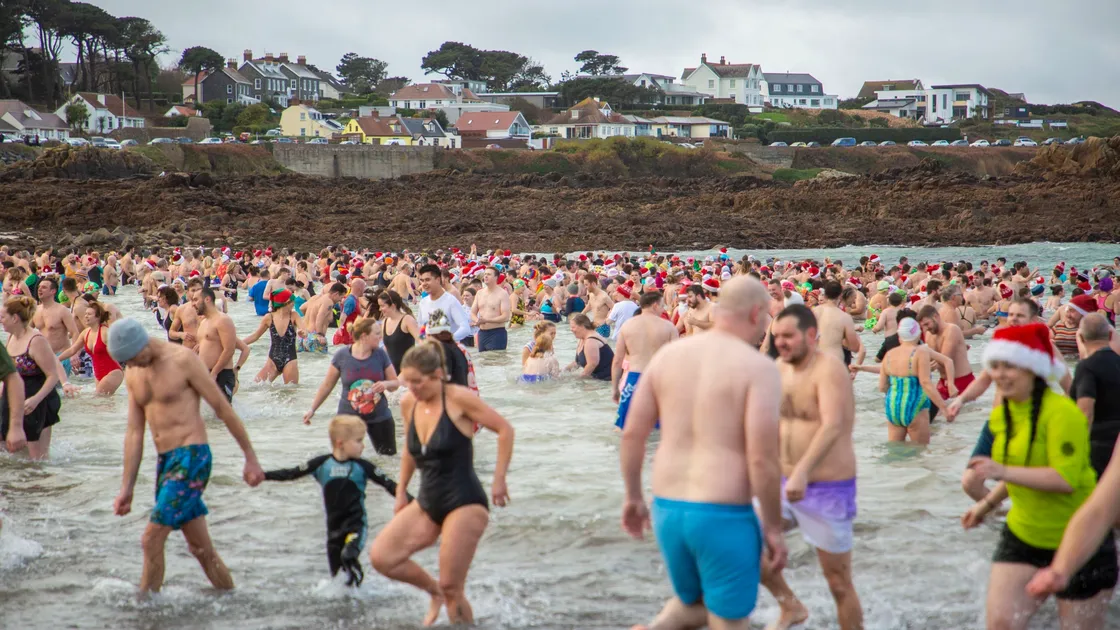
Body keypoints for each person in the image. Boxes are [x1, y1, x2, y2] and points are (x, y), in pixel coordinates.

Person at [620, 276, 786, 630]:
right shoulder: (758, 367)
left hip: (666, 508)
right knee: (729, 620)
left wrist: (633, 497)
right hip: (721, 512)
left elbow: (633, 433)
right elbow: (762, 458)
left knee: (692, 607)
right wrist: (773, 527)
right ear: (757, 312)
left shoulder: (669, 356)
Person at [961, 323, 1116, 630]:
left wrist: (1001, 471)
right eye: (996, 366)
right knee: (1000, 624)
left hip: (1080, 539)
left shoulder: (1063, 413)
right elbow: (1025, 469)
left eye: (1011, 366)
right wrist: (986, 504)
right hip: (1023, 534)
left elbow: (1065, 479)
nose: (1001, 374)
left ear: (1033, 369)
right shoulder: (1002, 415)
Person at [107, 318, 265, 594]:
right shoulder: (134, 372)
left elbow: (222, 408)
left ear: (143, 343)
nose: (131, 366)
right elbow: (134, 433)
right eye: (125, 362)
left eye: (133, 358)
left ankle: (144, 613)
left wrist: (250, 457)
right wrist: (126, 489)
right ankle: (232, 599)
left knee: (151, 539)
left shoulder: (181, 360)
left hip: (192, 456)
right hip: (166, 462)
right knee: (201, 549)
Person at [368, 341, 514, 626]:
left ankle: (451, 603)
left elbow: (505, 429)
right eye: (407, 382)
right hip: (427, 499)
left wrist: (499, 480)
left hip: (465, 501)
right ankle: (433, 592)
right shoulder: (410, 402)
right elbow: (410, 451)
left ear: (437, 374)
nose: (413, 389)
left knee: (452, 586)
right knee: (383, 556)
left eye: (418, 382)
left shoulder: (459, 398)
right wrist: (400, 492)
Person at [765, 304, 864, 630]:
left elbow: (834, 425)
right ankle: (790, 606)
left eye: (788, 336)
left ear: (811, 335)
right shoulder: (778, 367)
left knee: (837, 582)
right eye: (776, 336)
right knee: (739, 542)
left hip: (826, 487)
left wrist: (803, 470)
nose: (780, 342)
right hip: (782, 482)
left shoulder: (829, 369)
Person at [262, 415, 409, 587]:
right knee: (337, 576)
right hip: (333, 530)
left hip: (356, 526)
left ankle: (361, 590)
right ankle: (351, 600)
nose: (363, 445)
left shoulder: (363, 466)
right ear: (341, 443)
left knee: (348, 556)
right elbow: (290, 474)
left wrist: (419, 505)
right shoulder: (322, 464)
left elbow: (391, 486)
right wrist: (263, 475)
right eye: (359, 441)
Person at [304, 318, 400, 454]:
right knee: (344, 458)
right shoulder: (342, 356)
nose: (381, 337)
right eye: (377, 334)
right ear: (364, 336)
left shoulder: (381, 355)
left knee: (387, 459)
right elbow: (327, 385)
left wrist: (385, 384)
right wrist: (312, 410)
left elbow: (395, 384)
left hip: (379, 417)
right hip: (348, 418)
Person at [0, 297, 62, 460]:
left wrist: (35, 399)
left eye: (3, 317)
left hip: (37, 403)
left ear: (15, 318)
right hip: (14, 399)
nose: (0, 321)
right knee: (9, 453)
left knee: (37, 460)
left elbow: (52, 375)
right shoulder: (11, 338)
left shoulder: (36, 340)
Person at [612, 292, 677, 430]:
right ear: (655, 305)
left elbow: (617, 361)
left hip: (634, 379)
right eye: (661, 306)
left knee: (625, 428)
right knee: (659, 431)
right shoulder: (668, 326)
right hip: (659, 380)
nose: (663, 310)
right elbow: (677, 360)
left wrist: (615, 389)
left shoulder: (627, 326)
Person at [878, 318, 948, 444]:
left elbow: (882, 387)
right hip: (915, 405)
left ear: (899, 336)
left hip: (893, 406)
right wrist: (944, 408)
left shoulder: (889, 355)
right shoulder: (920, 353)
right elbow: (926, 383)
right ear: (917, 334)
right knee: (920, 453)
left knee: (896, 453)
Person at [1070, 313, 1120, 477]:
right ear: (1111, 335)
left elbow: (1086, 410)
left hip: (1100, 444)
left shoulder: (1087, 366)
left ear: (1082, 338)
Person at [56, 301, 123, 395]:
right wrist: (56, 359)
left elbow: (120, 349)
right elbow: (72, 350)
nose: (86, 316)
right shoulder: (85, 333)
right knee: (102, 405)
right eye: (85, 314)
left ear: (98, 317)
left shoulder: (105, 332)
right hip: (98, 374)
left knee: (97, 397)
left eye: (89, 314)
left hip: (113, 371)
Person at [240, 288, 303, 384]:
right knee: (256, 386)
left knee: (291, 392)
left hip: (290, 360)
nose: (294, 303)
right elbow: (255, 336)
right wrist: (237, 344)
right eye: (292, 301)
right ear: (285, 302)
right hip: (273, 360)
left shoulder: (294, 315)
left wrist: (303, 333)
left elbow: (304, 329)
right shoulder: (269, 318)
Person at [193, 287, 239, 403]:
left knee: (222, 416)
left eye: (195, 300)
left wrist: (214, 373)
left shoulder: (223, 320)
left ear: (207, 299)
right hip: (204, 372)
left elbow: (229, 350)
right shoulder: (204, 322)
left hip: (220, 374)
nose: (193, 304)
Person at [417, 264, 472, 343]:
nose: (424, 284)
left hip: (449, 350)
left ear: (438, 280)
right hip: (431, 351)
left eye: (427, 280)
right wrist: (422, 342)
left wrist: (448, 340)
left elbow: (465, 328)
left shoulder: (451, 301)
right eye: (422, 280)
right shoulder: (423, 302)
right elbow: (421, 327)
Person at [470, 267, 510, 352]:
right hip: (482, 333)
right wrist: (478, 321)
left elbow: (506, 317)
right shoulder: (479, 293)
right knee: (483, 362)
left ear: (496, 277)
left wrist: (486, 320)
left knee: (494, 361)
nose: (486, 276)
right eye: (485, 274)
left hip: (497, 333)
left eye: (489, 274)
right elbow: (472, 313)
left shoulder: (502, 294)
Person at [379, 290, 419, 372]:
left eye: (382, 306)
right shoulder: (385, 322)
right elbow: (387, 347)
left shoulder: (407, 320)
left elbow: (422, 341)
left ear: (393, 306)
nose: (380, 309)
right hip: (392, 371)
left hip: (407, 370)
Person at [566, 313, 614, 381]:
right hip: (597, 378)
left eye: (573, 327)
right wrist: (563, 372)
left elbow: (592, 365)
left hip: (607, 380)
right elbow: (577, 362)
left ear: (582, 326)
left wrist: (577, 380)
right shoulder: (582, 338)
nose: (571, 329)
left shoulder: (591, 340)